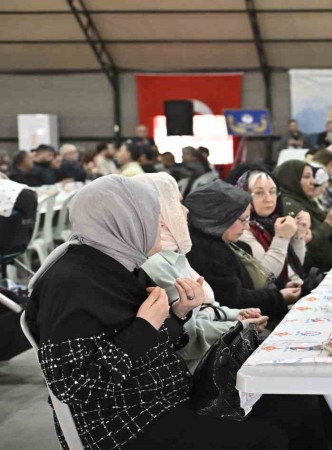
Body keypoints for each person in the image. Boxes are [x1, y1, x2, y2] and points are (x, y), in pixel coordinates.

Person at [23, 175, 315, 450]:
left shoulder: (122, 264)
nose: (161, 223)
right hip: (127, 423)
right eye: (153, 216)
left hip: (164, 398)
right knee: (271, 435)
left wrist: (178, 313)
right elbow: (73, 386)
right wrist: (144, 327)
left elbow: (160, 342)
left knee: (289, 401)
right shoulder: (71, 284)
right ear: (126, 222)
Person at [135, 173, 265, 372]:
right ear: (158, 211)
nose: (186, 209)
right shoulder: (155, 261)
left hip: (210, 353)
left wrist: (235, 315)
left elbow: (202, 310)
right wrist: (240, 327)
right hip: (198, 367)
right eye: (176, 202)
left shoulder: (173, 252)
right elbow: (187, 334)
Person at [185, 181, 297, 323]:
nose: (247, 227)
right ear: (220, 218)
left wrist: (282, 287)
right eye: (243, 220)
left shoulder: (225, 242)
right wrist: (279, 297)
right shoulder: (207, 254)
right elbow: (235, 300)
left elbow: (252, 278)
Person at [235, 168, 310, 286]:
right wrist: (281, 238)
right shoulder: (242, 228)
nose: (268, 199)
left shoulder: (274, 221)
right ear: (244, 195)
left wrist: (298, 235)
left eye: (272, 192)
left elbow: (295, 267)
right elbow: (265, 276)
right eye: (259, 193)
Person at [274, 160, 332, 272]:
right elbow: (306, 243)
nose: (313, 181)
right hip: (317, 270)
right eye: (306, 177)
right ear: (291, 179)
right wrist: (329, 223)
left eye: (312, 176)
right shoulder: (290, 206)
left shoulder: (302, 201)